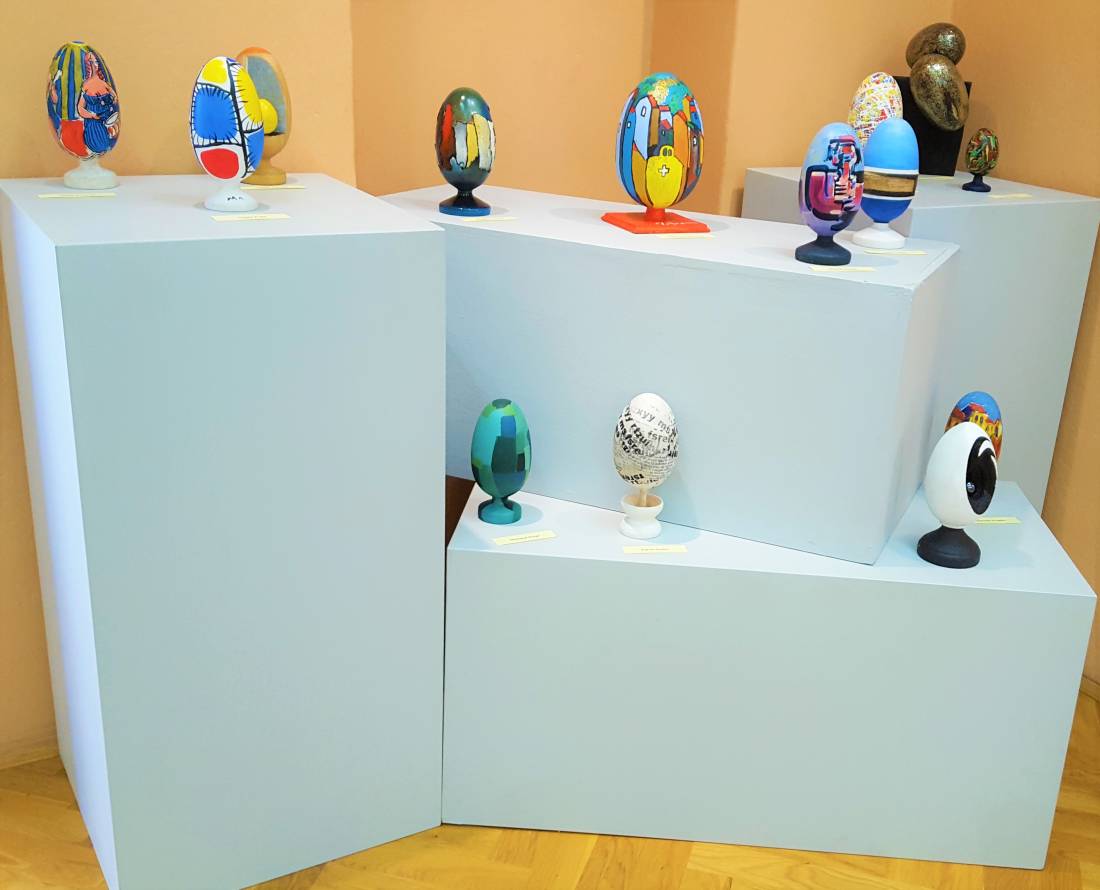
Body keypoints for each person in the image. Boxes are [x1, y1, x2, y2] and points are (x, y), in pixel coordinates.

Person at [76, 51, 119, 155]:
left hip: (108, 117)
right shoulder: (86, 86)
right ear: (87, 65)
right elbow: (80, 108)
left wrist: (113, 99)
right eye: (91, 62)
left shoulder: (104, 83)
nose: (94, 64)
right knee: (99, 143)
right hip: (94, 121)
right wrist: (92, 115)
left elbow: (114, 96)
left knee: (113, 136)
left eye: (95, 62)